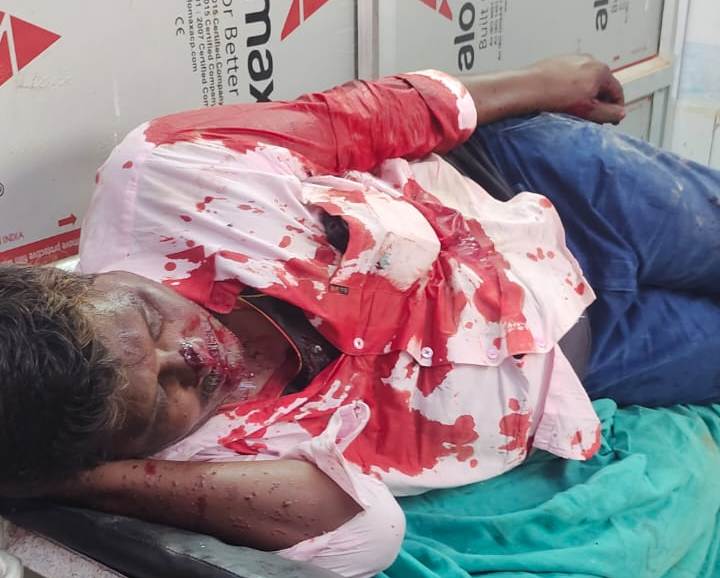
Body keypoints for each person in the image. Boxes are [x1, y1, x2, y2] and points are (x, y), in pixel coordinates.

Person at [0, 54, 718, 578]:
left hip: (545, 198)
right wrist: (74, 481)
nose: (189, 353)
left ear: (78, 281)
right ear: (112, 450)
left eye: (148, 319)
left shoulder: (163, 175)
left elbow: (363, 118)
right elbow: (368, 535)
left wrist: (542, 82)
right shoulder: (171, 462)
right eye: (164, 395)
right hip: (586, 357)